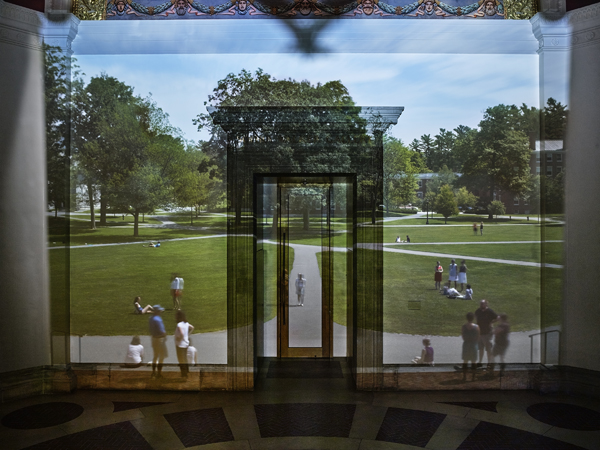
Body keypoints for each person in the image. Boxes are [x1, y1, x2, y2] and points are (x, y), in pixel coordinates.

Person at [474, 299, 498, 369]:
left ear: (486, 304)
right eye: (480, 304)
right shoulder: (478, 311)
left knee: (488, 349)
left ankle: (489, 363)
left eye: (482, 304)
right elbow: (476, 318)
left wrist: (491, 322)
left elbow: (497, 317)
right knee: (480, 348)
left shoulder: (490, 311)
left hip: (487, 333)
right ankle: (480, 362)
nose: (481, 305)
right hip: (480, 333)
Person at [149, 305, 167, 379]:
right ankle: (159, 373)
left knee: (155, 356)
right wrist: (165, 336)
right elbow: (162, 331)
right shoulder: (158, 319)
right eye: (159, 311)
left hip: (153, 338)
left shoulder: (150, 318)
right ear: (156, 311)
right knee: (161, 356)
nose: (160, 312)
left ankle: (153, 372)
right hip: (160, 339)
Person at [174, 310, 194, 379]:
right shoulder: (186, 323)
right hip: (186, 343)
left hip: (180, 344)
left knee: (181, 360)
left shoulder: (179, 324)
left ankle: (184, 374)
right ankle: (187, 371)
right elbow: (192, 327)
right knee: (185, 358)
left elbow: (181, 333)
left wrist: (179, 339)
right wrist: (187, 335)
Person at [461, 312, 480, 381]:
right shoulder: (476, 327)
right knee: (473, 361)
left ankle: (464, 376)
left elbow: (463, 336)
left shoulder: (464, 326)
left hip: (466, 344)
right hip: (473, 344)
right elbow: (478, 336)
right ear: (473, 318)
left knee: (465, 360)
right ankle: (473, 377)